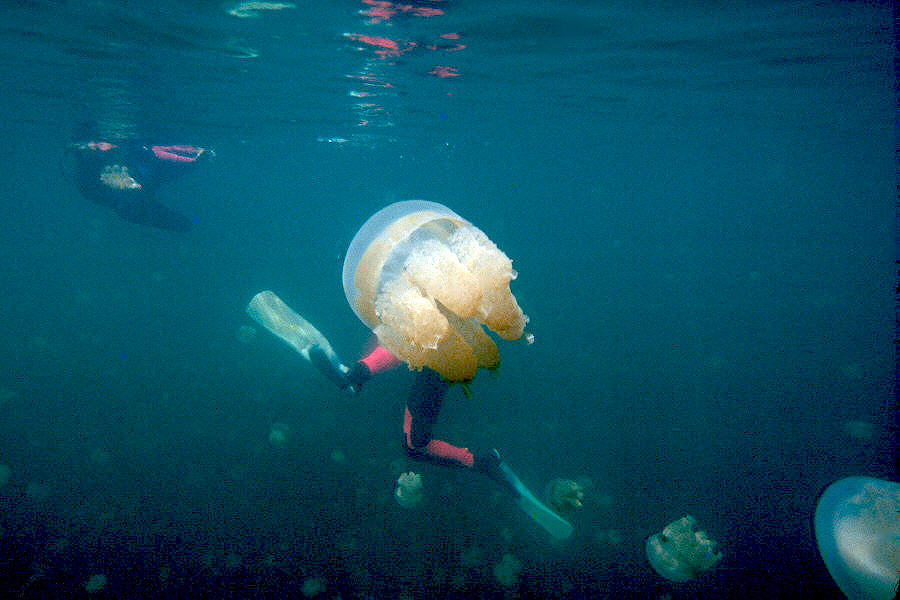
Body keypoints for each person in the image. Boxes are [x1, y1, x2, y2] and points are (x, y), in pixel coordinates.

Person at [66, 138, 212, 231]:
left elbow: (162, 158)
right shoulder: (89, 181)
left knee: (181, 224)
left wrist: (195, 161)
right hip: (131, 203)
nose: (98, 147)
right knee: (182, 224)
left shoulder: (141, 154)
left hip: (142, 181)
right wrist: (128, 189)